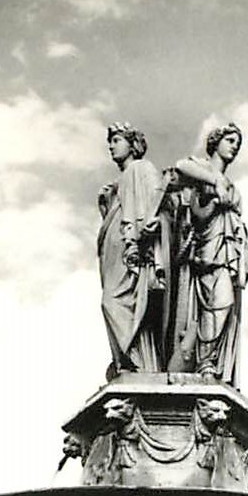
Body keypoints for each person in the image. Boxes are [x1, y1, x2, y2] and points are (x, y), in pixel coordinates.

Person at [169, 123, 248, 384]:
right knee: (212, 307)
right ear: (216, 142)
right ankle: (205, 363)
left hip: (228, 253)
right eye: (229, 140)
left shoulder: (233, 186)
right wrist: (215, 181)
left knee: (224, 308)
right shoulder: (202, 169)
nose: (234, 146)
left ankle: (211, 363)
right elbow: (181, 166)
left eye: (237, 142)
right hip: (207, 252)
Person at [97, 124, 169, 378]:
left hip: (133, 252)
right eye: (110, 141)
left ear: (132, 144)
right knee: (116, 302)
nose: (111, 146)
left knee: (114, 302)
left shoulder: (142, 169)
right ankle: (129, 361)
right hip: (116, 254)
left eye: (116, 140)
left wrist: (143, 239)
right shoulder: (119, 182)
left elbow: (157, 209)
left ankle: (136, 361)